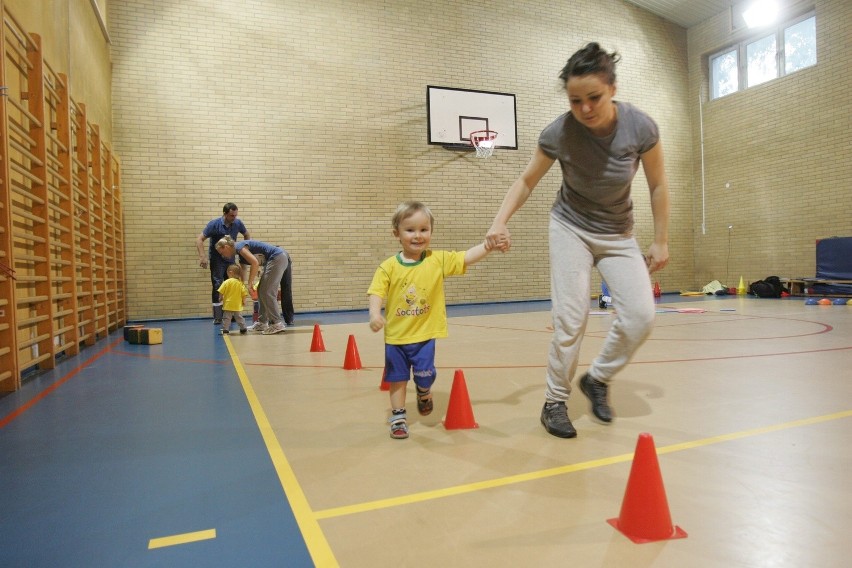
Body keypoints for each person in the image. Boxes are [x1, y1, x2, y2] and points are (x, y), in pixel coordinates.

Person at [485, 42, 670, 439]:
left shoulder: (641, 128)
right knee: (571, 319)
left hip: (618, 233)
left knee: (641, 317)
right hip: (570, 226)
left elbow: (657, 185)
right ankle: (554, 401)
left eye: (594, 98)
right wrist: (499, 221)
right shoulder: (560, 132)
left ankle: (598, 378)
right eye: (575, 101)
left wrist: (661, 240)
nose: (585, 108)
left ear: (613, 89)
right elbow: (526, 180)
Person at [368, 201, 504, 440]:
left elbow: (466, 257)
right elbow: (377, 291)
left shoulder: (437, 260)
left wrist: (487, 246)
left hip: (425, 336)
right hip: (396, 338)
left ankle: (423, 391)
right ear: (396, 234)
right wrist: (374, 314)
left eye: (424, 229)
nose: (418, 235)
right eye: (410, 230)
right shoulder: (388, 267)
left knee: (425, 374)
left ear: (431, 231)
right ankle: (398, 417)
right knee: (397, 379)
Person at [215, 236, 290, 335]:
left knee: (267, 291)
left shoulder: (239, 247)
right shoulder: (239, 254)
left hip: (278, 257)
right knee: (261, 290)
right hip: (276, 258)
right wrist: (242, 284)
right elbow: (243, 270)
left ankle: (277, 323)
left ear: (226, 247)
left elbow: (254, 263)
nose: (222, 256)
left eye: (221, 252)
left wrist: (250, 283)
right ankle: (262, 322)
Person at [196, 203, 250, 324]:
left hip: (230, 259)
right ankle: (218, 316)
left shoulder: (237, 223)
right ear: (225, 214)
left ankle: (233, 314)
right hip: (217, 260)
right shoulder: (214, 225)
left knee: (233, 285)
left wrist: (245, 249)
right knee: (218, 285)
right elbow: (199, 239)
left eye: (235, 215)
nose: (234, 218)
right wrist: (202, 256)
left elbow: (246, 234)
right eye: (231, 215)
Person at [217, 263, 249, 335]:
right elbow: (244, 293)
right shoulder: (240, 283)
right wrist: (244, 301)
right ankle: (243, 328)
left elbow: (221, 291)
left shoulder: (226, 282)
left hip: (228, 304)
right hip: (237, 305)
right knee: (239, 317)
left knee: (227, 318)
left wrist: (220, 297)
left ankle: (225, 329)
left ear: (230, 272)